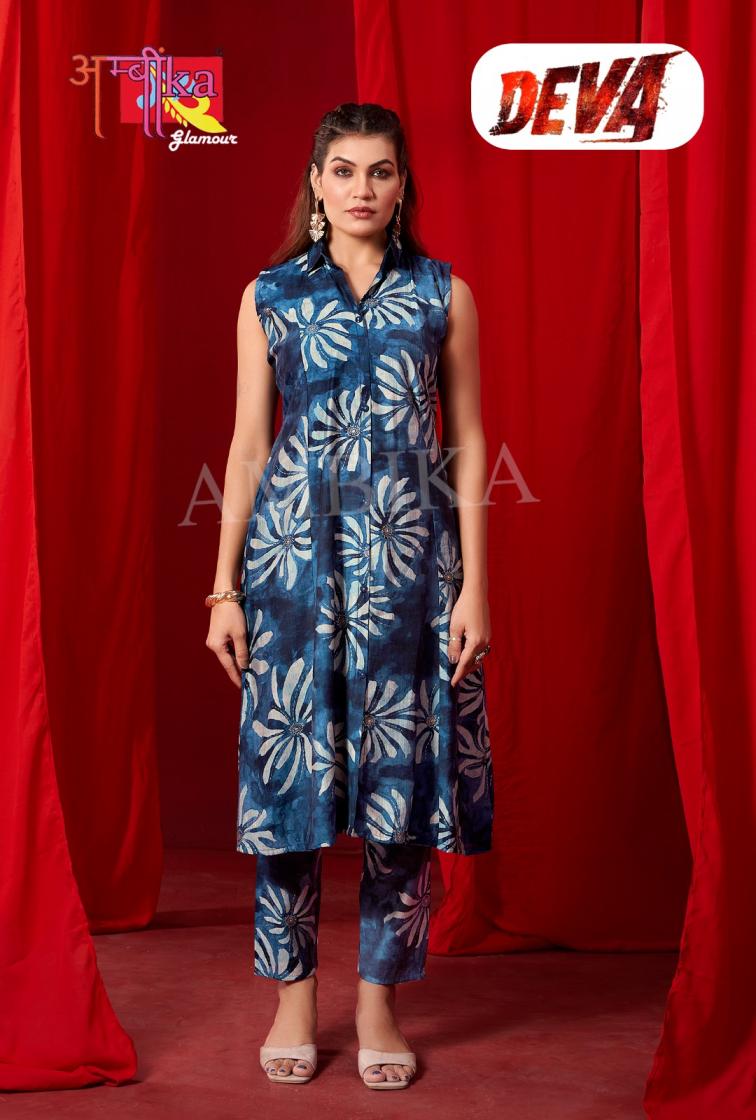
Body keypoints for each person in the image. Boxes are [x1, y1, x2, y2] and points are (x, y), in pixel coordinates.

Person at [206, 102, 494, 1091]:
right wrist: (223, 591)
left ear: (402, 184)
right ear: (316, 184)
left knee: (399, 796)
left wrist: (476, 588)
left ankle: (378, 1006)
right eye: (344, 170)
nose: (362, 187)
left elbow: (469, 447)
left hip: (410, 577)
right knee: (289, 791)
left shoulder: (443, 295)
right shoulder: (271, 296)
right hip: (291, 572)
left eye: (380, 170)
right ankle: (293, 1002)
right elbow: (249, 446)